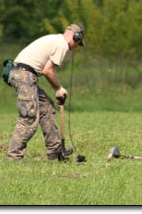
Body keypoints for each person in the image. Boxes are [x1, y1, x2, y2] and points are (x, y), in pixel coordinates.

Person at [6, 23, 85, 161]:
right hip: (24, 75)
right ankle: (14, 156)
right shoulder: (62, 44)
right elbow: (47, 70)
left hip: (21, 73)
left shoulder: (55, 39)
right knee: (29, 117)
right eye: (78, 43)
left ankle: (55, 151)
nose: (76, 47)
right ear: (76, 37)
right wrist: (58, 89)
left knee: (47, 108)